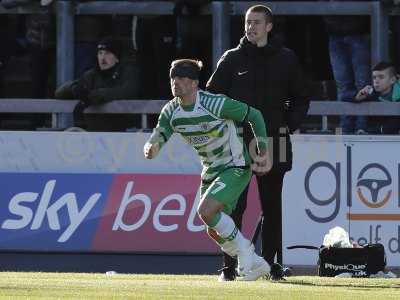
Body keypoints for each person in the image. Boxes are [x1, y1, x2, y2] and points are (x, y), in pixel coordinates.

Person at [143, 58, 284, 281]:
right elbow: (160, 133)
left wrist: (262, 148)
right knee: (212, 228)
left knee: (206, 211)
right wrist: (152, 146)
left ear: (194, 83)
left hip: (235, 164)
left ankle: (246, 252)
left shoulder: (215, 104)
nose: (175, 82)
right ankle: (255, 263)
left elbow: (254, 115)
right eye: (173, 78)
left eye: (181, 78)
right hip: (211, 170)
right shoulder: (171, 111)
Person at [206, 4, 309, 281]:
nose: (251, 27)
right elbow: (211, 99)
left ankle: (273, 265)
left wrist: (290, 123)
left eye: (257, 22)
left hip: (273, 139)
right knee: (233, 206)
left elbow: (301, 96)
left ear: (269, 26)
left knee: (272, 206)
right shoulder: (231, 59)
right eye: (248, 22)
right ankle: (229, 267)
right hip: (237, 143)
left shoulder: (286, 59)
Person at [54, 37, 140, 131]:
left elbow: (129, 91)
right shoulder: (91, 75)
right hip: (92, 134)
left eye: (107, 53)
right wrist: (74, 88)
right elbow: (59, 93)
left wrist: (99, 95)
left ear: (117, 58)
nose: (103, 58)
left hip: (123, 133)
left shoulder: (127, 72)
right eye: (100, 53)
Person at [322, 0, 371, 134]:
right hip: (334, 33)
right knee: (343, 84)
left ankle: (361, 127)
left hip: (359, 32)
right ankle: (346, 128)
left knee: (363, 83)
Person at [355, 61, 400, 134]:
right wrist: (357, 97)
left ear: (392, 80)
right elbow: (344, 97)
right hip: (376, 136)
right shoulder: (370, 93)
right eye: (374, 77)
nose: (376, 81)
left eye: (381, 77)